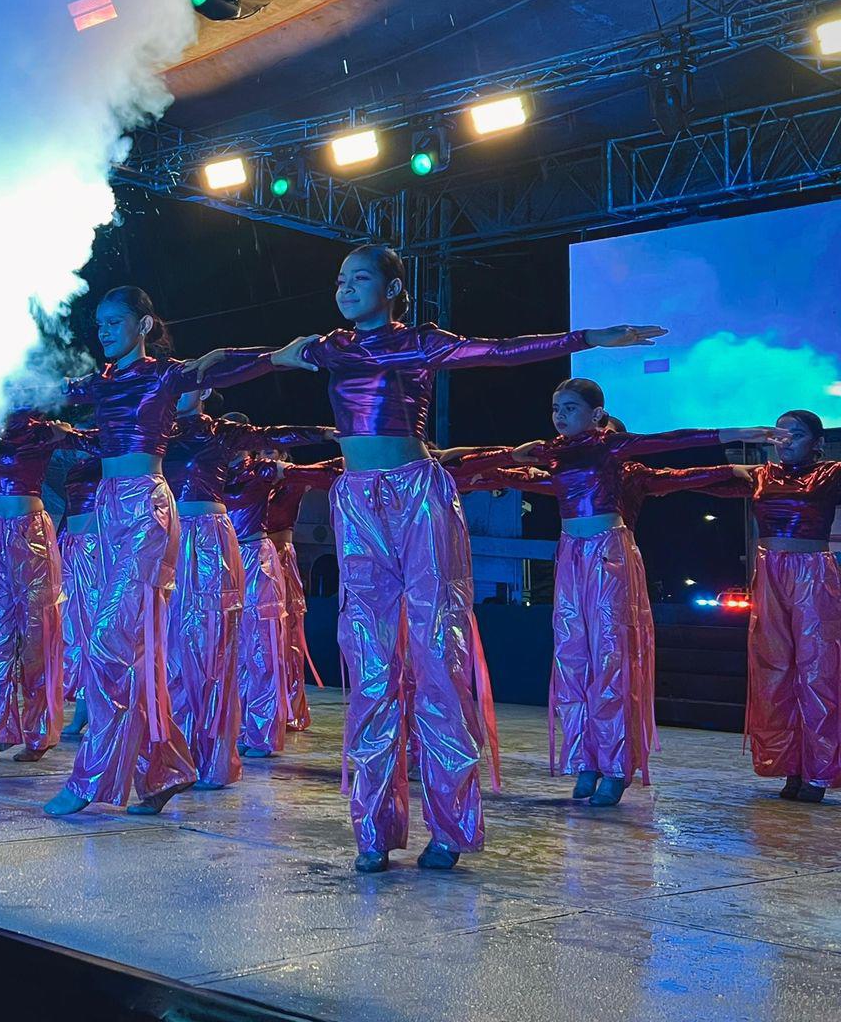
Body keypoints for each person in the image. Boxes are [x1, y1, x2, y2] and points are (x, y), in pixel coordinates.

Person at [268, 243, 666, 872]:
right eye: (340, 278)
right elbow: (255, 360)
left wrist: (590, 336)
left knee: (436, 657)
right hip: (357, 501)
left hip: (418, 500)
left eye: (361, 278)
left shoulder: (420, 342)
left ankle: (450, 826)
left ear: (393, 289)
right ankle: (372, 828)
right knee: (370, 664)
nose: (345, 287)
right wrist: (282, 353)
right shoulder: (331, 348)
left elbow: (502, 350)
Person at [43, 285, 290, 817]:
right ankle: (164, 770)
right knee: (135, 652)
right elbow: (51, 393)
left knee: (112, 641)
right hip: (108, 513)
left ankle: (92, 777)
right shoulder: (101, 384)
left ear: (145, 326)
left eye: (115, 321)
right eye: (99, 322)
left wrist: (281, 356)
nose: (103, 330)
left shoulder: (164, 375)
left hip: (146, 512)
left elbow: (218, 364)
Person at [510, 381, 779, 805]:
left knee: (610, 659)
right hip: (570, 555)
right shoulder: (557, 458)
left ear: (600, 417)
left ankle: (616, 765)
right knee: (572, 658)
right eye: (555, 408)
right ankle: (585, 760)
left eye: (570, 408)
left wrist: (731, 444)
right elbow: (508, 467)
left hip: (608, 555)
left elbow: (674, 455)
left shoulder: (615, 455)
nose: (559, 416)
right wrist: (447, 464)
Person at [164, 395, 331, 786]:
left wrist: (333, 438)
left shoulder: (265, 473)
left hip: (254, 560)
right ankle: (190, 741)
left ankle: (262, 730)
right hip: (204, 556)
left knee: (261, 649)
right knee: (187, 650)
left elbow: (317, 469)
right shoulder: (208, 469)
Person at [678, 409, 841, 803]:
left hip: (812, 574)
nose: (785, 441)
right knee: (775, 670)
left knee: (817, 670)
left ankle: (819, 772)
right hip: (769, 575)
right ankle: (790, 766)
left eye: (796, 435)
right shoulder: (760, 475)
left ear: (818, 442)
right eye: (780, 435)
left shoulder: (832, 472)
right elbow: (698, 479)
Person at [0, 410, 92, 765]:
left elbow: (89, 440)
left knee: (37, 637)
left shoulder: (41, 429)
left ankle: (39, 734)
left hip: (31, 534)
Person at [222, 450, 340, 760]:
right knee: (246, 649)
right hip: (239, 562)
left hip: (272, 561)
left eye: (270, 451)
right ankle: (251, 724)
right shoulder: (235, 477)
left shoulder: (285, 477)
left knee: (276, 645)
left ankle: (275, 720)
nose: (263, 455)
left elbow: (326, 469)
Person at [57, 455, 101, 738]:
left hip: (95, 550)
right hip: (74, 550)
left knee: (95, 635)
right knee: (76, 637)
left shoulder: (107, 458)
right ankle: (83, 714)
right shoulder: (74, 463)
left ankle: (97, 715)